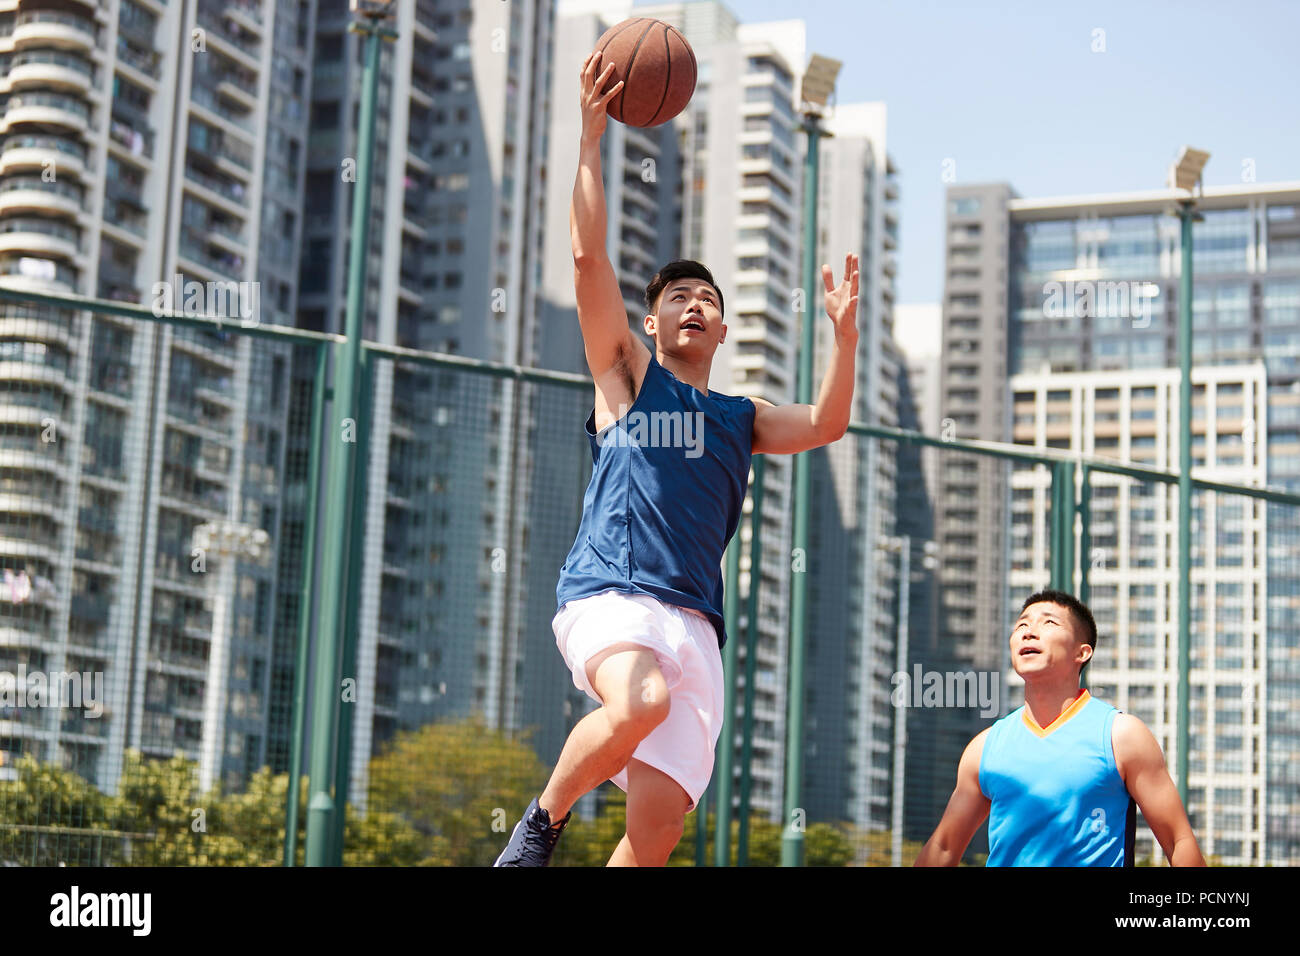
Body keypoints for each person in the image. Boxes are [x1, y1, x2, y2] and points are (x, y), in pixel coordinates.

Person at [494, 49, 860, 867]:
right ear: (652, 325)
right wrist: (590, 141)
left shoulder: (741, 416)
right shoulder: (627, 378)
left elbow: (829, 423)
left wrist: (845, 339)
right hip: (612, 593)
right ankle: (536, 831)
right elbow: (590, 261)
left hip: (696, 621)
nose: (695, 304)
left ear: (723, 332)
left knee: (656, 832)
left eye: (709, 300)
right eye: (677, 298)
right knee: (639, 702)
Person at [914, 589, 1205, 867]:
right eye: (1022, 624)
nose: (1028, 631)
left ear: (1082, 652)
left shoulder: (1121, 735)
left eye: (1049, 622)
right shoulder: (984, 747)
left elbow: (1178, 841)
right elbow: (944, 847)